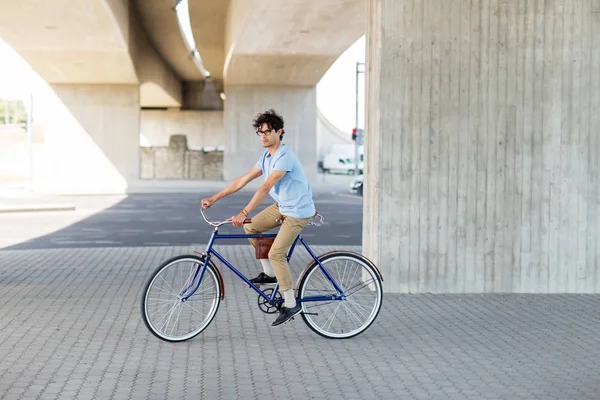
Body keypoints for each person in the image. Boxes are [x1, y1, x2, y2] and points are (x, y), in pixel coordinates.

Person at [201, 109, 316, 327]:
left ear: (279, 132)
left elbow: (265, 187)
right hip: (283, 206)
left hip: (298, 211)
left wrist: (243, 212)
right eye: (259, 132)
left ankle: (290, 303)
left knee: (276, 254)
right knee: (250, 227)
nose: (263, 136)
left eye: (267, 131)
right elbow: (242, 180)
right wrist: (214, 198)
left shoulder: (285, 156)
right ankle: (270, 275)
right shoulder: (266, 157)